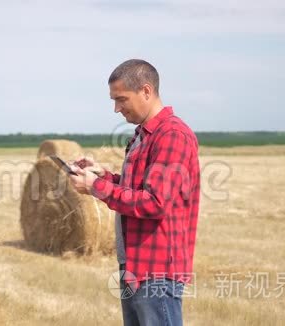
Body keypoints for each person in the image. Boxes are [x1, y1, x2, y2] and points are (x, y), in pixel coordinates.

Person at [68, 59, 200, 326]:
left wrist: (96, 187)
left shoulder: (171, 135)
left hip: (156, 269)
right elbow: (137, 190)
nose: (117, 108)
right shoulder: (143, 135)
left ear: (146, 91)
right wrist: (103, 176)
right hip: (135, 265)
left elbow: (155, 202)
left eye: (121, 99)